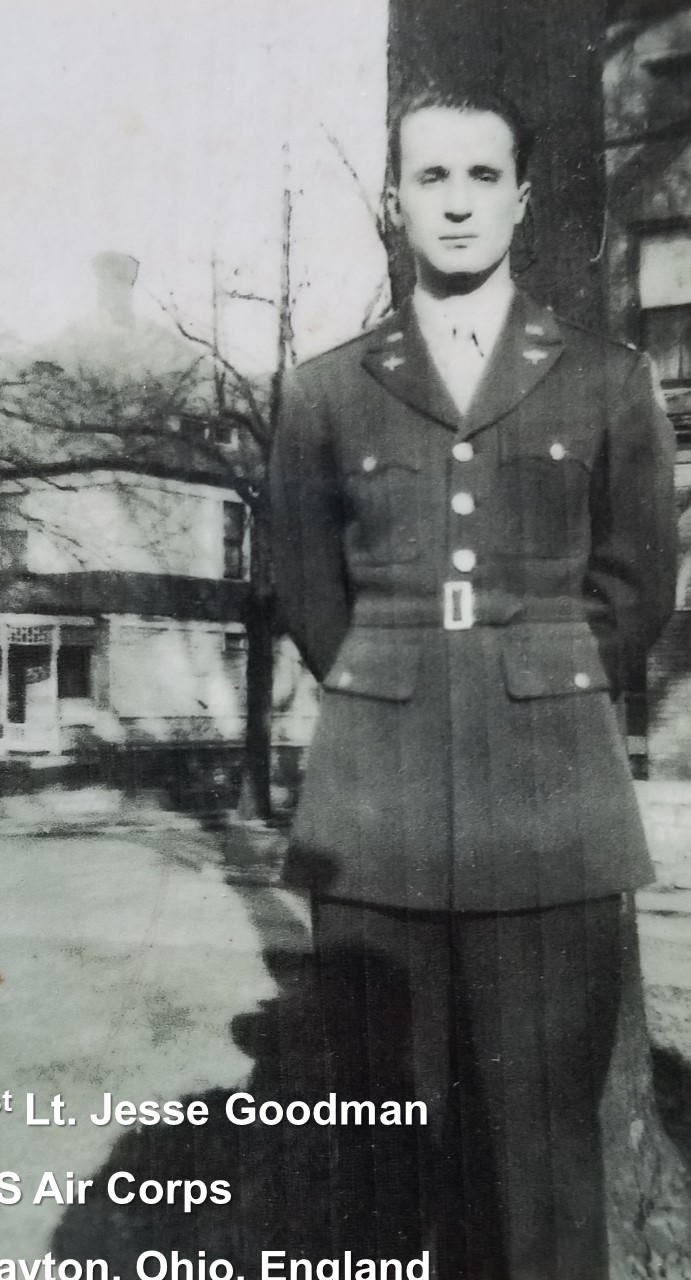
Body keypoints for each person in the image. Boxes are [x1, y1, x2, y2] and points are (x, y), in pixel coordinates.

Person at [269, 84, 677, 1280]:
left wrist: (531, 684)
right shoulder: (323, 390)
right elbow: (307, 590)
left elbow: (637, 587)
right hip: (374, 816)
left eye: (481, 176)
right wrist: (397, 679)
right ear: (393, 202)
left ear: (522, 198)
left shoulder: (608, 378)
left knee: (545, 1159)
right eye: (431, 177)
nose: (456, 203)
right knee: (386, 1154)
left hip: (552, 812)